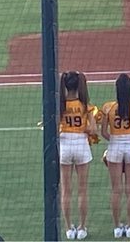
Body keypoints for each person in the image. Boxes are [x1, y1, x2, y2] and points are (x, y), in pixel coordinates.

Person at [101, 74, 130, 239]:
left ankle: (117, 227)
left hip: (115, 146)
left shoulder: (109, 108)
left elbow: (103, 132)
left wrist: (114, 140)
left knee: (116, 190)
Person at [59, 71, 96, 241]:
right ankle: (82, 227)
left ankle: (68, 228)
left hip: (65, 145)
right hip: (81, 144)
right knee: (82, 190)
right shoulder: (85, 105)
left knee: (66, 190)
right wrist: (82, 128)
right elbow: (93, 130)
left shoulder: (60, 105)